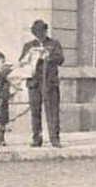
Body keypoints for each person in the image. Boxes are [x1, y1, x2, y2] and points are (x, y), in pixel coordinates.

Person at [21, 19, 66, 148]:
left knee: (52, 111)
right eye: (37, 32)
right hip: (34, 82)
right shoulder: (29, 46)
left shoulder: (53, 44)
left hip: (50, 82)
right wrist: (32, 57)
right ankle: (37, 137)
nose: (40, 34)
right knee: (35, 111)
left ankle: (54, 138)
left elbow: (60, 59)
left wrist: (48, 56)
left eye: (43, 31)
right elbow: (22, 61)